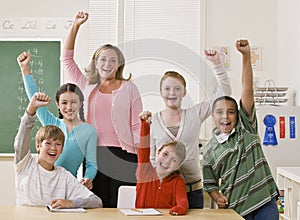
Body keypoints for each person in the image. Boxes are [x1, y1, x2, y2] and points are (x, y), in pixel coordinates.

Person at [61, 11, 143, 207]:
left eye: (113, 60)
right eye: (103, 59)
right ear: (96, 63)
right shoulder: (86, 85)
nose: (108, 64)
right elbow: (66, 59)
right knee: (96, 204)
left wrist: (143, 160)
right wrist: (76, 26)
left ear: (119, 64)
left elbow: (136, 126)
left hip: (125, 155)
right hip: (93, 155)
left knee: (123, 205)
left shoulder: (129, 88)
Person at [202, 39, 279, 220]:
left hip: (264, 202)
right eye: (219, 112)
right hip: (235, 208)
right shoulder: (210, 150)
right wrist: (216, 197)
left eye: (231, 112)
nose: (225, 117)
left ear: (238, 115)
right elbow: (210, 182)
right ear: (212, 116)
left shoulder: (247, 128)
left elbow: (247, 88)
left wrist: (245, 55)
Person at [148, 50, 232, 208]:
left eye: (177, 89)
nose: (172, 93)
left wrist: (217, 64)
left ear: (184, 92)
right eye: (167, 89)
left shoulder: (195, 113)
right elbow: (152, 158)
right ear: (161, 92)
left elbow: (224, 94)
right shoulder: (153, 120)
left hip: (193, 191)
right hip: (164, 191)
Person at [17, 52, 98, 190]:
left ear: (80, 103)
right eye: (64, 102)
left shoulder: (89, 131)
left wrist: (87, 179)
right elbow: (34, 96)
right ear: (58, 105)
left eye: (74, 102)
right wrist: (25, 69)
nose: (69, 107)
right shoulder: (51, 123)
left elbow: (91, 164)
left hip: (67, 187)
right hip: (43, 183)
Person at [14, 92, 102, 208]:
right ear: (38, 146)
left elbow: (96, 202)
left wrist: (71, 203)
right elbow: (22, 138)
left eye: (58, 144)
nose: (53, 148)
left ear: (62, 150)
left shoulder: (64, 176)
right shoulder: (26, 164)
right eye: (48, 143)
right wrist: (31, 109)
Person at [137, 111, 188, 215]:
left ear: (177, 167)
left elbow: (183, 202)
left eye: (174, 160)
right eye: (165, 154)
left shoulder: (178, 182)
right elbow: (143, 149)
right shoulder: (145, 172)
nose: (167, 161)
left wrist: (179, 209)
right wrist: (145, 125)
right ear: (158, 152)